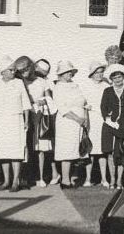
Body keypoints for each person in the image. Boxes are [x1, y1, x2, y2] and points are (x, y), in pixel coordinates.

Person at [0, 55, 31, 192]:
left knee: (16, 151)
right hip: (0, 121)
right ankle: (6, 181)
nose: (13, 72)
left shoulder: (18, 83)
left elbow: (25, 103)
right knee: (3, 152)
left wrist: (26, 120)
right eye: (10, 70)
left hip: (15, 120)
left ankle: (15, 181)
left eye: (14, 70)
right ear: (3, 71)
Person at [52, 61, 88, 189]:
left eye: (70, 72)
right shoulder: (58, 87)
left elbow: (83, 101)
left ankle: (72, 178)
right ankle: (65, 180)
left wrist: (84, 117)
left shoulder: (75, 85)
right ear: (61, 74)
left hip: (78, 123)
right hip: (67, 122)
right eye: (67, 72)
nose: (69, 74)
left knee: (75, 150)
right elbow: (62, 108)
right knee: (66, 150)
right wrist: (77, 119)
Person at [101, 63, 124, 188]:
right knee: (111, 154)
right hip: (109, 127)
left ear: (123, 77)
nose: (117, 80)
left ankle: (119, 182)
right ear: (111, 79)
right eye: (115, 77)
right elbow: (103, 108)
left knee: (122, 154)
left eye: (120, 77)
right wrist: (109, 120)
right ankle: (112, 180)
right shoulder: (107, 91)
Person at [26, 58, 57, 186]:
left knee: (41, 148)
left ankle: (41, 177)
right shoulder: (22, 81)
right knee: (28, 147)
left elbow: (49, 99)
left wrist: (43, 101)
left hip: (39, 117)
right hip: (26, 116)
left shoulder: (44, 82)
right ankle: (28, 177)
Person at [80, 61, 109, 188]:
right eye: (96, 72)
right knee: (90, 150)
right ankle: (88, 179)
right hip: (90, 120)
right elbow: (82, 102)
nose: (99, 75)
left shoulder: (106, 86)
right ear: (92, 74)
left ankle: (104, 179)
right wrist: (86, 108)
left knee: (102, 151)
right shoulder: (86, 86)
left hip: (102, 120)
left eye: (101, 72)